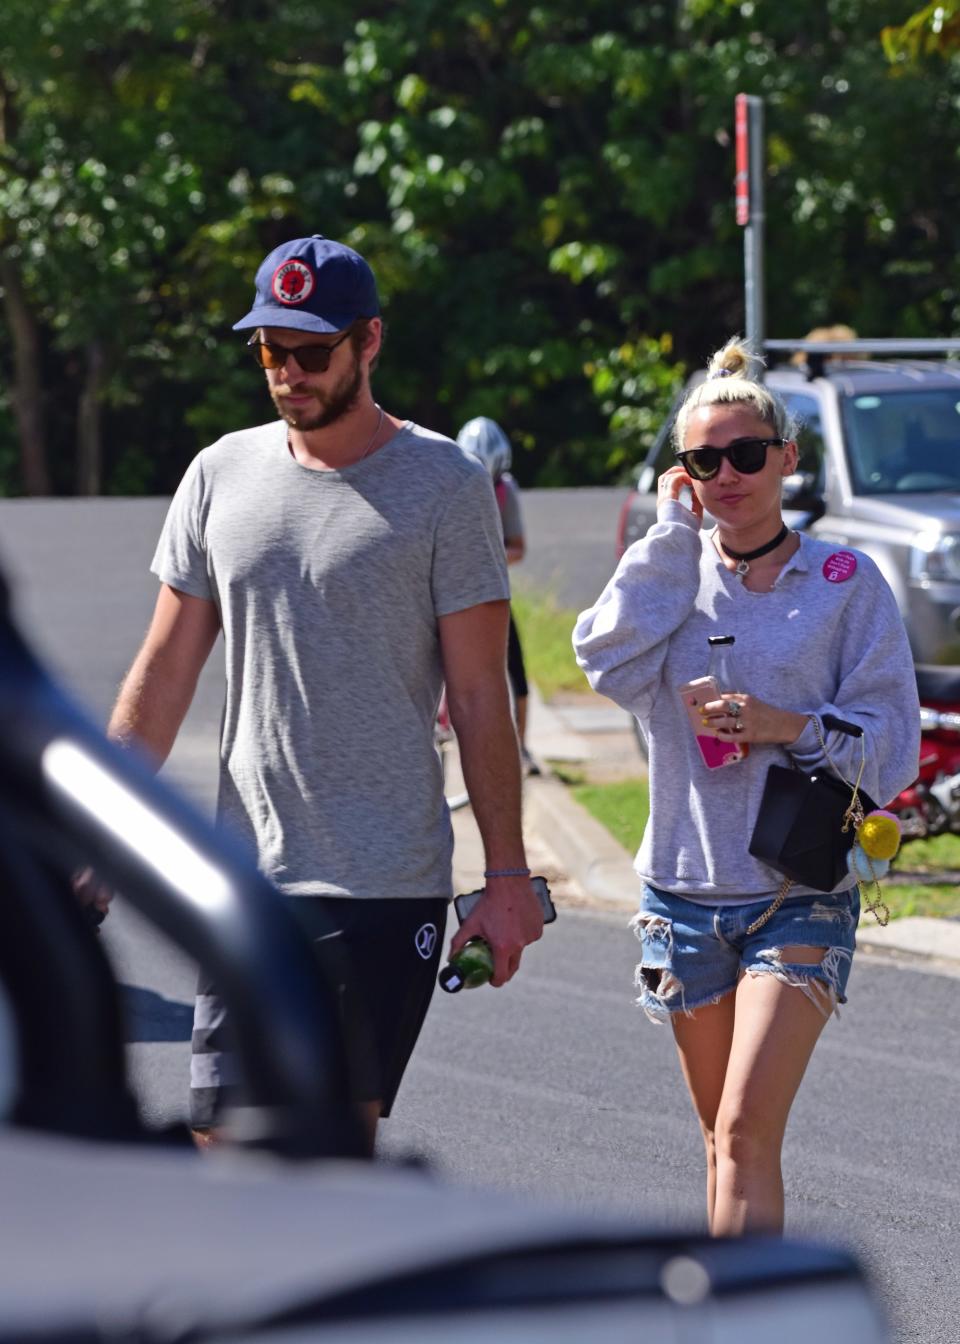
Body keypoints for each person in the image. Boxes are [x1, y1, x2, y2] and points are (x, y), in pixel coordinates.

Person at [90, 235, 544, 1150]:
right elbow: (164, 669)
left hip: (382, 883)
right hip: (246, 877)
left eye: (310, 351)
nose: (286, 372)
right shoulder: (219, 475)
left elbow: (481, 697)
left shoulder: (446, 487)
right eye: (269, 350)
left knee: (326, 1162)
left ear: (368, 342)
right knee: (225, 1152)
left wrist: (505, 876)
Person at [572, 337, 919, 1236]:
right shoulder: (667, 579)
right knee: (721, 1140)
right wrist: (667, 536)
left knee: (745, 1125)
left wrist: (784, 726)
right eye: (703, 460)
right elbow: (601, 660)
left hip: (795, 890)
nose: (728, 474)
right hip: (681, 892)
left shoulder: (845, 583)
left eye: (747, 453)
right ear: (684, 476)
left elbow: (893, 749)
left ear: (787, 459)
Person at [455, 416, 539, 775]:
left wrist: (489, 554)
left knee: (515, 672)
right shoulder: (449, 486)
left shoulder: (506, 492)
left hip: (493, 594)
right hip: (452, 595)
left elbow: (518, 548)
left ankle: (520, 748)